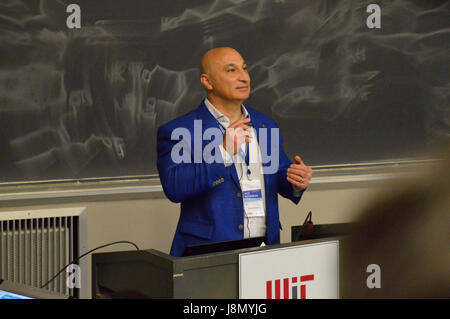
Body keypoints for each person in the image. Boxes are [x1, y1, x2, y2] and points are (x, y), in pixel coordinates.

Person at [157, 47, 312, 257]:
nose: (244, 77)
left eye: (244, 69)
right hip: (208, 254)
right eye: (231, 70)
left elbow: (278, 174)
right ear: (207, 81)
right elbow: (175, 187)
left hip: (264, 250)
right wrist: (223, 153)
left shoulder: (265, 125)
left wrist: (294, 181)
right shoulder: (180, 131)